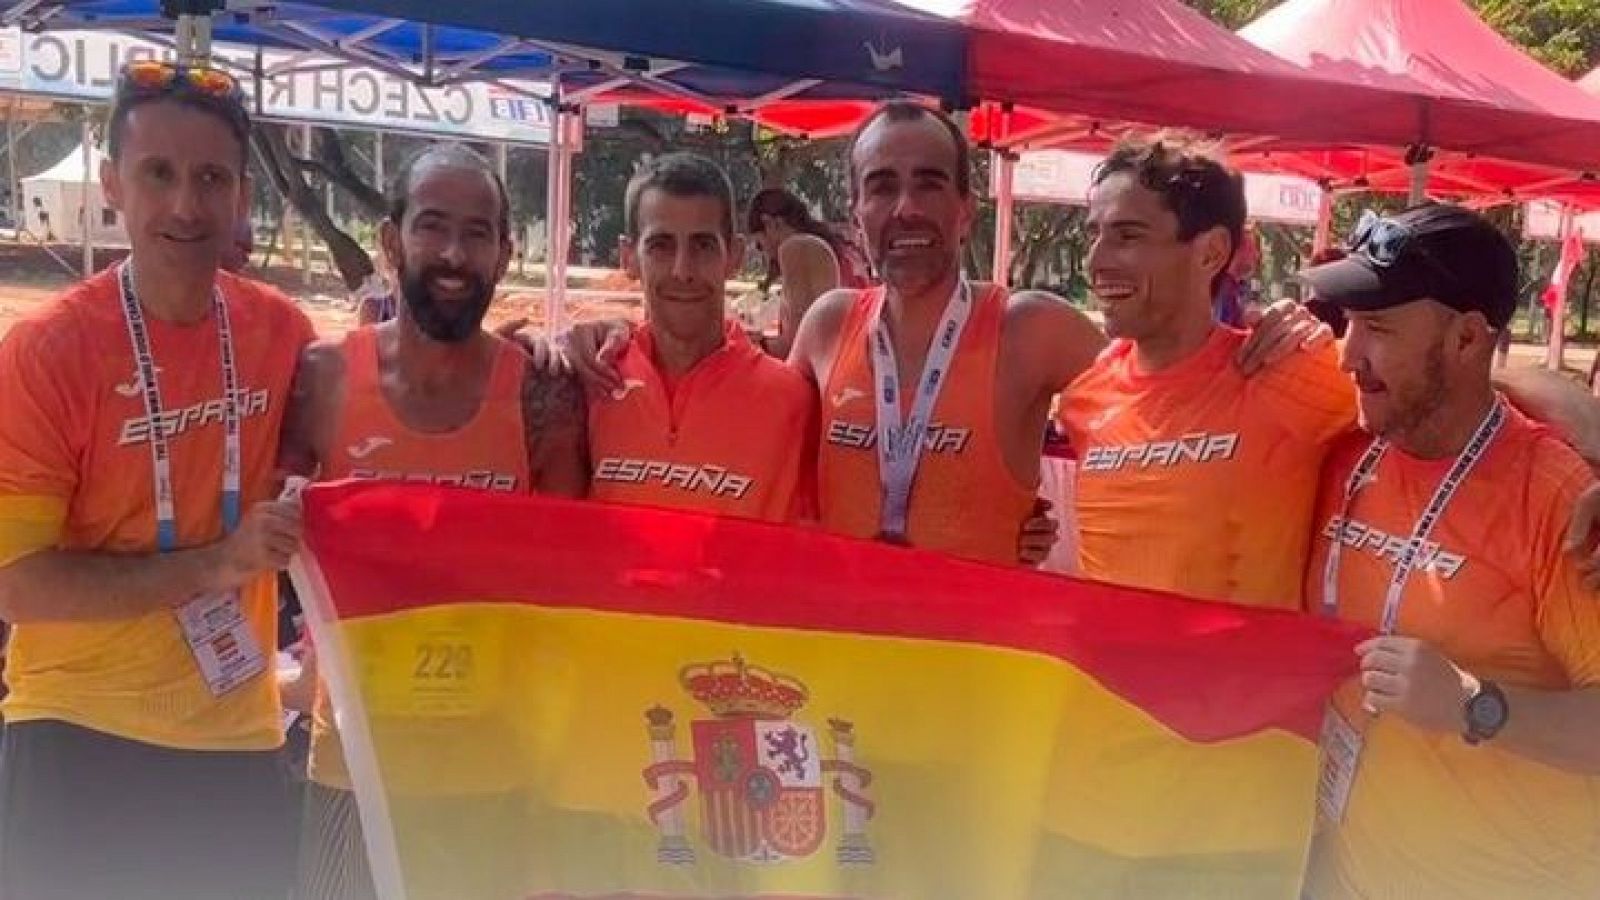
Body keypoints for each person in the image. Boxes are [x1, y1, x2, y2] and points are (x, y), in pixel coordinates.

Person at [0, 60, 312, 899]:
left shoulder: (281, 333)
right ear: (112, 185)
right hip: (77, 732)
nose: (186, 205)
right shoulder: (46, 352)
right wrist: (217, 566)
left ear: (242, 194)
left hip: (235, 742)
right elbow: (19, 587)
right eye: (159, 174)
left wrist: (564, 350)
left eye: (211, 177)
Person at [278, 143, 589, 900]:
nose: (454, 253)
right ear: (392, 240)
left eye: (478, 232)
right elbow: (264, 539)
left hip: (493, 772)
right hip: (354, 767)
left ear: (506, 252)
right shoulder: (324, 379)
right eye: (433, 226)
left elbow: (575, 586)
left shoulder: (543, 395)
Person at [1301, 203, 1600, 900]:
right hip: (1341, 874)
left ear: (1468, 339)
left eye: (1377, 329)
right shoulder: (1349, 439)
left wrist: (1476, 707)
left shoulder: (1559, 499)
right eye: (1346, 325)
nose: (1346, 357)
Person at [1058, 135, 1357, 611]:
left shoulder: (1285, 368)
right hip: (1106, 682)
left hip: (1242, 682)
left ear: (1210, 252)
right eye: (1095, 234)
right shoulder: (1084, 398)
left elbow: (1451, 402)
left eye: (1128, 235)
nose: (1096, 261)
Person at [589, 154, 816, 523]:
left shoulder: (793, 400)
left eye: (703, 245)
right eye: (661, 245)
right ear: (628, 258)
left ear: (735, 256)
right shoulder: (591, 381)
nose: (683, 270)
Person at [746, 187, 863, 358]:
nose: (765, 254)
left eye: (759, 245)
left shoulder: (797, 248)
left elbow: (797, 344)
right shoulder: (835, 247)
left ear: (770, 223)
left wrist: (755, 343)